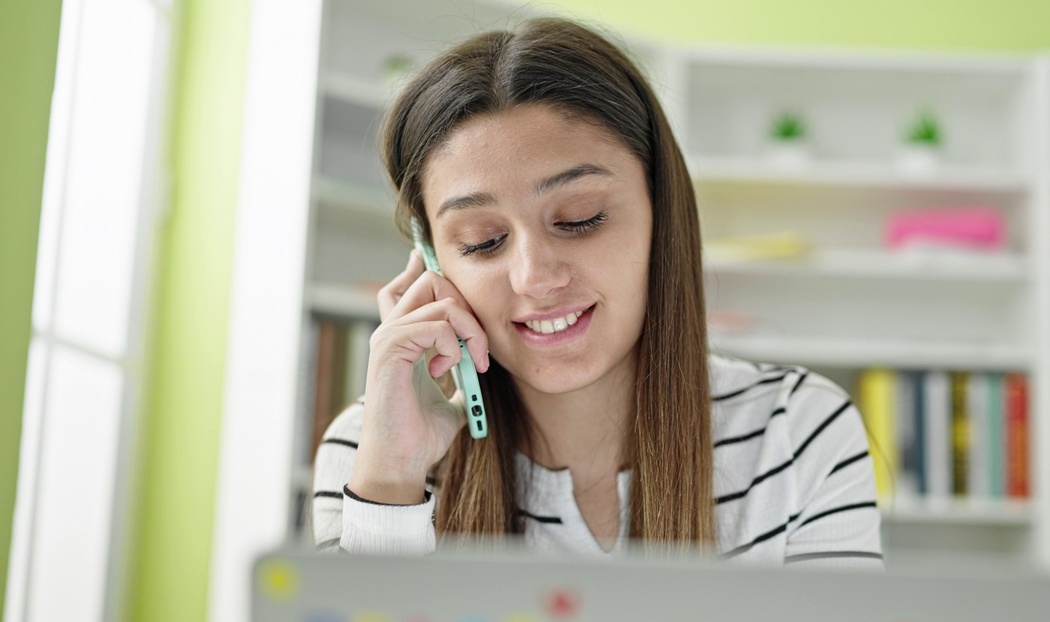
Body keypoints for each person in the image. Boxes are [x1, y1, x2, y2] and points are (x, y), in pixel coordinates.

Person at [311, 16, 882, 567]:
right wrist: (391, 481)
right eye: (483, 241)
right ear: (432, 259)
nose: (534, 276)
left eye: (581, 218)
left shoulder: (798, 430)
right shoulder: (370, 448)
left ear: (662, 211)